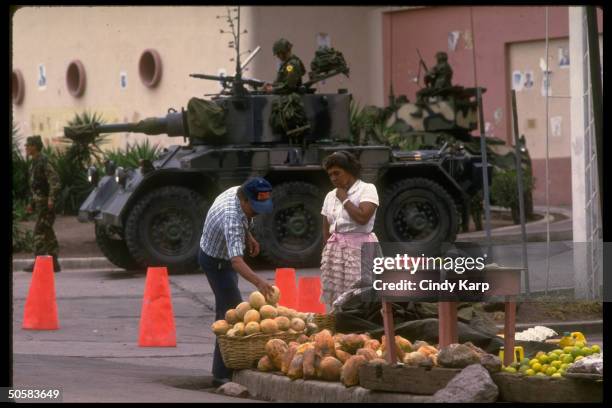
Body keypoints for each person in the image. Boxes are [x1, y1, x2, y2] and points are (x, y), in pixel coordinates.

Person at [198, 177, 275, 387]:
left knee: (229, 309)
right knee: (231, 313)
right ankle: (221, 374)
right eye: (255, 207)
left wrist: (248, 236)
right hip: (216, 261)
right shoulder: (231, 216)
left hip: (224, 257)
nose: (257, 212)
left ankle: (226, 368)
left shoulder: (238, 193)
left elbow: (244, 220)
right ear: (244, 200)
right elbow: (237, 261)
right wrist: (260, 282)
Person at [320, 151, 381, 310]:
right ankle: (341, 327)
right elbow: (326, 229)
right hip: (336, 251)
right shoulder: (329, 196)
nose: (333, 178)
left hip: (360, 249)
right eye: (330, 175)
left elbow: (362, 218)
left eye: (337, 173)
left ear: (350, 171)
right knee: (337, 295)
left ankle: (362, 328)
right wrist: (331, 251)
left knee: (360, 293)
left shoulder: (367, 189)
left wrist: (344, 199)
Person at [22, 135, 61, 273]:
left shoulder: (44, 161)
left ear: (34, 146)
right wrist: (31, 203)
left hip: (46, 203)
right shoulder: (34, 163)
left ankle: (38, 261)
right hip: (40, 203)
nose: (26, 147)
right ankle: (54, 263)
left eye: (28, 145)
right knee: (48, 232)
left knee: (39, 231)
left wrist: (51, 199)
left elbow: (54, 181)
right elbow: (35, 185)